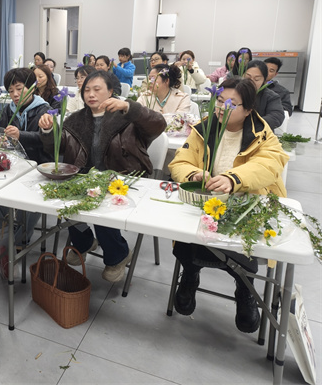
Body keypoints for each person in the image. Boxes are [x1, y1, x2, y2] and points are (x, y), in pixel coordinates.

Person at [168, 77, 288, 333]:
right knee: (187, 236)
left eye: (232, 104)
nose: (222, 108)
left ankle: (245, 288)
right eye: (220, 101)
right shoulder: (203, 128)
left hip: (246, 206)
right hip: (205, 203)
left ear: (249, 109)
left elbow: (269, 165)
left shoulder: (262, 134)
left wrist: (234, 179)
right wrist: (193, 174)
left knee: (244, 245)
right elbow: (180, 162)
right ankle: (190, 276)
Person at [39, 70, 166, 282]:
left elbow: (159, 124)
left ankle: (118, 255)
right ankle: (84, 242)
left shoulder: (128, 118)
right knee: (65, 205)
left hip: (123, 179)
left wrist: (129, 107)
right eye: (87, 90)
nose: (91, 94)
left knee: (101, 212)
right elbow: (57, 148)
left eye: (97, 89)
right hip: (84, 179)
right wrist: (49, 130)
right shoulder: (75, 120)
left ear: (111, 91)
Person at [0, 68, 53, 276]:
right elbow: (1, 133)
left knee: (31, 200)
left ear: (32, 87)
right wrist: (3, 140)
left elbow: (47, 141)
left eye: (19, 89)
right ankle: (6, 233)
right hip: (14, 165)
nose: (15, 94)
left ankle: (17, 239)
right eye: (11, 91)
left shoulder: (44, 109)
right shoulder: (8, 110)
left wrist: (21, 135)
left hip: (39, 166)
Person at [243, 60, 285, 130]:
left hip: (260, 132)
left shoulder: (271, 96)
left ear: (264, 80)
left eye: (257, 79)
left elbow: (277, 116)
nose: (251, 82)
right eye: (247, 78)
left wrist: (256, 125)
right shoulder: (235, 92)